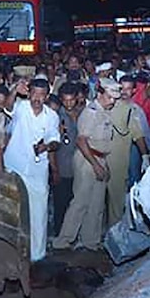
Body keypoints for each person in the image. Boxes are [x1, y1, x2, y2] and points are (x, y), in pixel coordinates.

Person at [53, 79, 122, 251]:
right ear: (100, 93)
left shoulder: (105, 111)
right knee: (80, 202)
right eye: (109, 97)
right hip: (87, 160)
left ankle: (91, 240)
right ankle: (63, 240)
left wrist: (103, 164)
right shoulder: (90, 112)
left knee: (97, 204)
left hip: (99, 158)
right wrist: (96, 165)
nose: (112, 101)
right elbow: (82, 141)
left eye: (114, 98)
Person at [4, 78, 61, 261]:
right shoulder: (21, 108)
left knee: (39, 211)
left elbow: (55, 139)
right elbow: (7, 106)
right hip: (15, 166)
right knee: (12, 210)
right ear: (28, 93)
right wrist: (13, 90)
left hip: (38, 170)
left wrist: (46, 147)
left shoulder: (51, 116)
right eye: (34, 93)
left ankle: (37, 255)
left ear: (47, 96)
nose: (37, 98)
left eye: (41, 95)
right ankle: (11, 253)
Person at [106, 76, 150, 227]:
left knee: (121, 196)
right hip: (104, 156)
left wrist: (146, 155)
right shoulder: (109, 104)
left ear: (133, 91)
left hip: (124, 157)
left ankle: (118, 228)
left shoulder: (136, 110)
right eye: (122, 88)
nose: (124, 92)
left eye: (128, 89)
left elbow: (141, 135)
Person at [52, 83, 82, 235]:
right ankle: (58, 234)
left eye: (71, 100)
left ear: (76, 99)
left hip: (79, 167)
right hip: (62, 167)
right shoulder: (56, 117)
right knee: (60, 204)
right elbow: (52, 148)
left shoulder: (83, 113)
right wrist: (55, 170)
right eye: (65, 100)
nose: (68, 103)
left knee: (76, 203)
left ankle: (72, 234)